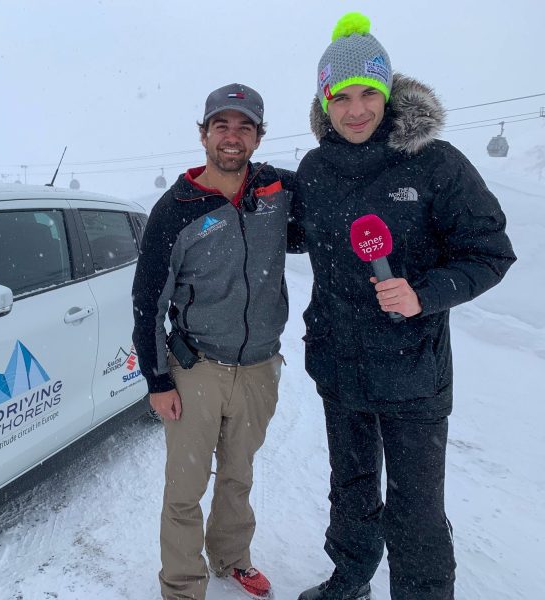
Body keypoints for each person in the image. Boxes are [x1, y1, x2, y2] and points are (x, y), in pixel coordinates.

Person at [291, 12, 516, 600]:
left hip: (413, 371)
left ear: (389, 93)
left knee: (415, 509)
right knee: (352, 487)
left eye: (368, 92)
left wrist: (426, 294)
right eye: (341, 97)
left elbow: (490, 251)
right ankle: (351, 577)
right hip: (339, 367)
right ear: (325, 102)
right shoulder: (315, 170)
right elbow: (291, 229)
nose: (356, 109)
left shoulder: (435, 162)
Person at [132, 83, 295, 600]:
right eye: (221, 125)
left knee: (237, 477)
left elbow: (340, 197)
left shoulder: (276, 192)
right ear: (203, 134)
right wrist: (158, 380)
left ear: (258, 137)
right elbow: (147, 302)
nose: (232, 136)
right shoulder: (175, 208)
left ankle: (230, 558)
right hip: (196, 369)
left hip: (259, 368)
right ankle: (182, 587)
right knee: (184, 491)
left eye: (244, 126)